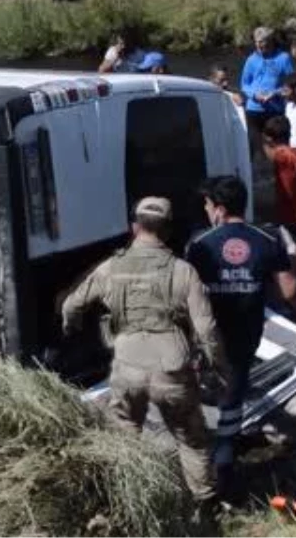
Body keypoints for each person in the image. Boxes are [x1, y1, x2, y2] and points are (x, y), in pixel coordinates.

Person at [62, 197, 222, 502]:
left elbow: (72, 305)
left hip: (127, 366)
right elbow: (206, 329)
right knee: (191, 440)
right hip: (172, 368)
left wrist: (71, 327)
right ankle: (205, 504)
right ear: (169, 230)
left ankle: (130, 500)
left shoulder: (110, 268)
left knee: (125, 434)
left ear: (133, 227)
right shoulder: (184, 271)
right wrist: (217, 365)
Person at [184, 176, 296, 501]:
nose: (206, 211)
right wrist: (292, 253)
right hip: (245, 334)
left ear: (218, 209)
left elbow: (186, 295)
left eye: (207, 205)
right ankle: (225, 464)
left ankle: (201, 458)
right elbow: (289, 290)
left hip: (206, 334)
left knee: (198, 390)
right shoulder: (267, 238)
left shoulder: (199, 242)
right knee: (233, 396)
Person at [262, 116, 296, 277]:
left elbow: (276, 155)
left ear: (270, 140)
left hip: (289, 219)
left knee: (290, 264)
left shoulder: (282, 158)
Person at [240, 27, 295, 157]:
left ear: (270, 41)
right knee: (257, 148)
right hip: (254, 110)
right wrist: (254, 95)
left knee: (278, 147)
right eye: (257, 42)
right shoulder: (251, 60)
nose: (259, 45)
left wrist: (274, 93)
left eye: (262, 42)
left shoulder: (283, 58)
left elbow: (291, 83)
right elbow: (244, 84)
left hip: (275, 110)